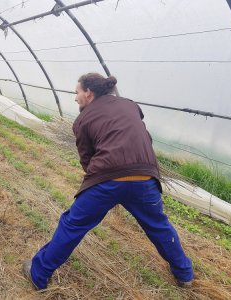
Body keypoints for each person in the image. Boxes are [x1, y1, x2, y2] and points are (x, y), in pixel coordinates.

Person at [22, 73, 194, 290]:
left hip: (106, 180)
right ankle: (184, 275)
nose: (75, 98)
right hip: (144, 177)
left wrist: (101, 183)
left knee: (72, 224)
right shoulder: (130, 105)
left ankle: (38, 274)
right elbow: (144, 137)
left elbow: (87, 159)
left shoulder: (83, 119)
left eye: (77, 92)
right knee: (159, 226)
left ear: (88, 93)